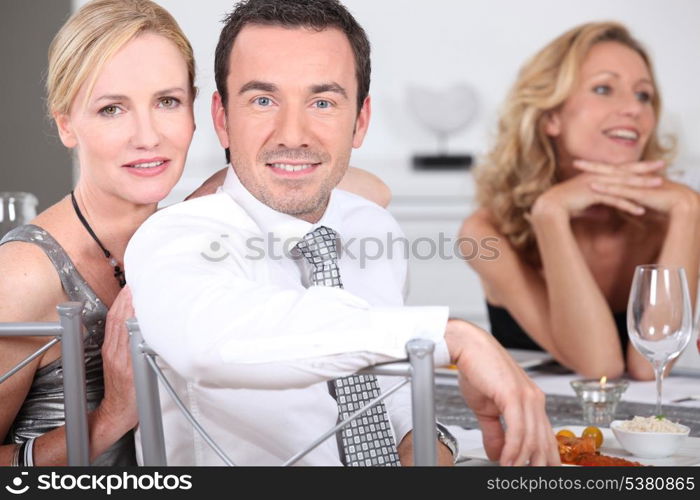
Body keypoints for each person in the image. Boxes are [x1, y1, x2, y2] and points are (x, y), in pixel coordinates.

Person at [126, 0, 558, 467]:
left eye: (323, 102)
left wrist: (425, 444)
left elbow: (387, 389)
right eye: (263, 100)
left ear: (361, 121)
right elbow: (211, 346)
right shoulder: (173, 238)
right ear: (223, 118)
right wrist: (451, 338)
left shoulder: (373, 228)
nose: (293, 133)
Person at [0, 0, 388, 467]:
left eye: (167, 102)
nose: (148, 136)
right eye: (111, 109)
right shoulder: (22, 275)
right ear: (66, 123)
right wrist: (110, 418)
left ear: (201, 112)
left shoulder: (184, 231)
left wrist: (223, 190)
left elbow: (369, 188)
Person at [460, 22, 700, 380]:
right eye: (604, 88)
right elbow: (599, 365)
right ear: (551, 116)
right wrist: (551, 213)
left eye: (643, 95)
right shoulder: (483, 234)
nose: (633, 109)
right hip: (533, 428)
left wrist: (688, 211)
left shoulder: (677, 213)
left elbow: (651, 367)